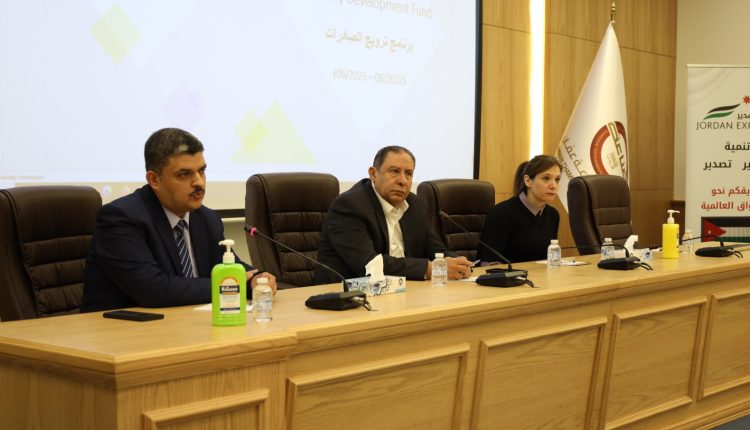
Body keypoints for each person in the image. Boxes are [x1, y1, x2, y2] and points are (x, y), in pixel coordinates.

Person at [81, 128, 276, 312]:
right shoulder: (121, 219)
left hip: (187, 324)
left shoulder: (206, 219)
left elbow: (231, 268)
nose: (198, 182)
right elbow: (154, 290)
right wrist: (233, 284)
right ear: (154, 180)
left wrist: (256, 279)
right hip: (123, 330)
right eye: (185, 174)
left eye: (201, 171)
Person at [315, 146, 472, 284]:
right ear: (373, 174)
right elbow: (369, 264)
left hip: (406, 291)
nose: (403, 181)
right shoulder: (349, 206)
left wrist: (458, 263)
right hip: (346, 297)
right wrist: (431, 269)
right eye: (394, 171)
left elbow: (434, 248)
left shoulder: (414, 204)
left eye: (408, 173)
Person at [477, 155, 561, 263]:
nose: (554, 186)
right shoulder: (502, 213)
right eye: (546, 178)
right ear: (528, 181)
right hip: (509, 274)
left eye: (557, 179)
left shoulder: (553, 215)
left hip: (541, 273)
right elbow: (488, 263)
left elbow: (548, 259)